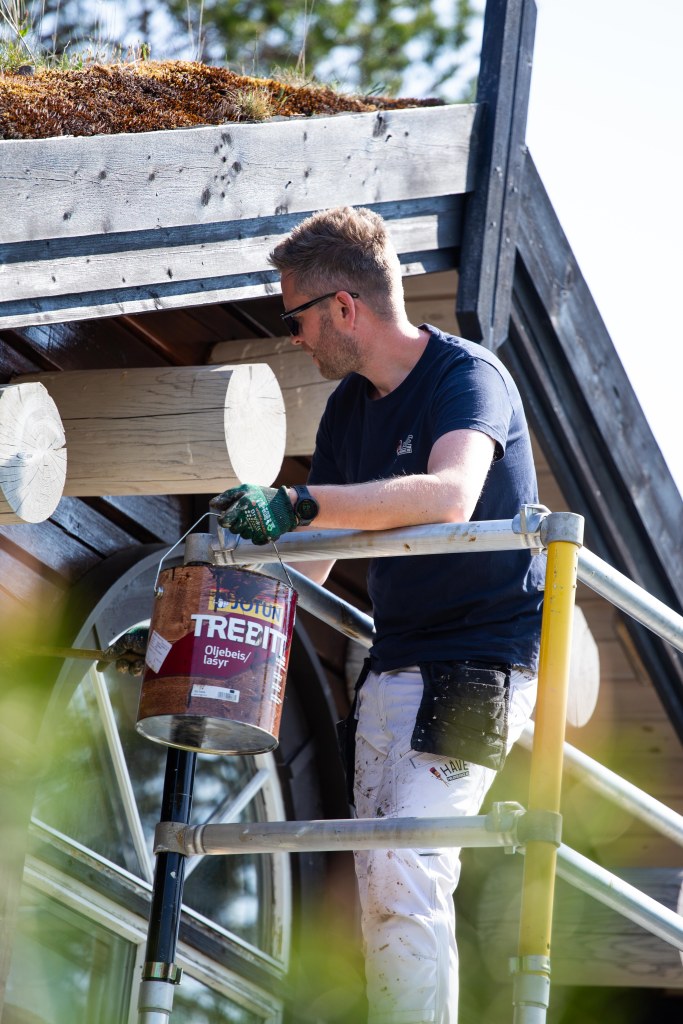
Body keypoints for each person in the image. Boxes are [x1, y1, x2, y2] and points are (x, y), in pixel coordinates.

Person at [105, 205, 544, 1023]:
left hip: (481, 662)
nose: (295, 339)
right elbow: (308, 566)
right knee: (377, 881)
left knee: (409, 866)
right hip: (393, 662)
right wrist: (184, 634)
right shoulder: (347, 409)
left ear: (344, 306)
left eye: (295, 319)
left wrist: (299, 501)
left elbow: (449, 495)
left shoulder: (467, 376)